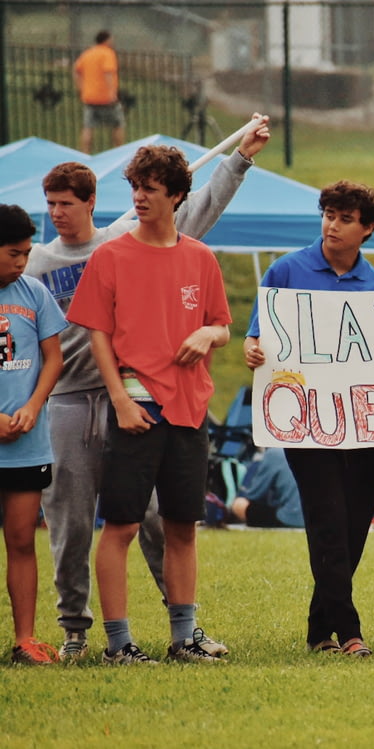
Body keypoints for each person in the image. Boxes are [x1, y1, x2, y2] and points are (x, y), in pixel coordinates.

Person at [27, 115, 271, 662]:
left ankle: (183, 629)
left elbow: (199, 211)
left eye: (67, 202)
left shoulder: (124, 242)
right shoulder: (36, 264)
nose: (57, 214)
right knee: (75, 518)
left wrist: (241, 159)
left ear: (91, 203)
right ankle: (79, 629)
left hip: (159, 401)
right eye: (51, 204)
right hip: (79, 399)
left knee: (165, 519)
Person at [244, 180, 374, 658]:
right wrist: (253, 350)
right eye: (328, 214)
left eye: (344, 218)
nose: (332, 225)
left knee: (354, 527)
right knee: (328, 521)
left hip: (366, 429)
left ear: (368, 228)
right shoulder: (285, 271)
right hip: (308, 427)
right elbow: (257, 337)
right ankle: (350, 629)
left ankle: (320, 629)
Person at [67, 145, 233, 664]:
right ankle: (119, 644)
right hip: (136, 408)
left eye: (150, 189)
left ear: (177, 196)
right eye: (135, 187)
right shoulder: (110, 255)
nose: (138, 198)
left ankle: (184, 638)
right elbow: (97, 333)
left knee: (183, 527)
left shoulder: (200, 257)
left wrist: (208, 333)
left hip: (190, 410)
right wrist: (118, 398)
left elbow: (224, 326)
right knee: (121, 526)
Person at [0, 205, 68, 665]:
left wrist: (32, 406)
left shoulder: (35, 294)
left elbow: (54, 358)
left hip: (26, 446)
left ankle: (25, 639)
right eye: (13, 254)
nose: (22, 263)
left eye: (26, 254)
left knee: (22, 540)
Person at [74, 30, 125, 154]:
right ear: (107, 40)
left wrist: (81, 88)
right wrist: (112, 93)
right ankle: (119, 151)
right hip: (106, 98)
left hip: (89, 97)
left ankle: (85, 153)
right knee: (118, 124)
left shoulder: (88, 53)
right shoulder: (108, 53)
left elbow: (76, 70)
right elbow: (108, 72)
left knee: (88, 126)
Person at [229, 448, 304, 529]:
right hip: (314, 518)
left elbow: (253, 495)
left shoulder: (274, 453)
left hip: (290, 518)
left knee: (239, 503)